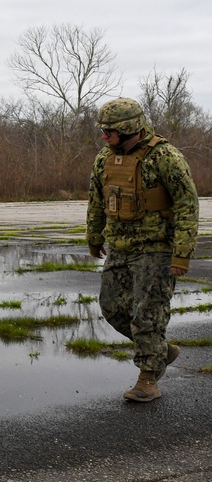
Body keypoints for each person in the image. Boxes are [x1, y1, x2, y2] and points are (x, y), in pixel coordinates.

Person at [86, 98, 199, 403]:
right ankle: (161, 351)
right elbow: (97, 200)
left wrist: (181, 254)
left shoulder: (166, 157)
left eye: (109, 131)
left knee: (146, 315)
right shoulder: (104, 159)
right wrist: (94, 237)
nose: (104, 136)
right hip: (120, 247)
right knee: (112, 308)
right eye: (103, 130)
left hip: (157, 249)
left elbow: (188, 205)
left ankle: (148, 379)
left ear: (129, 128)